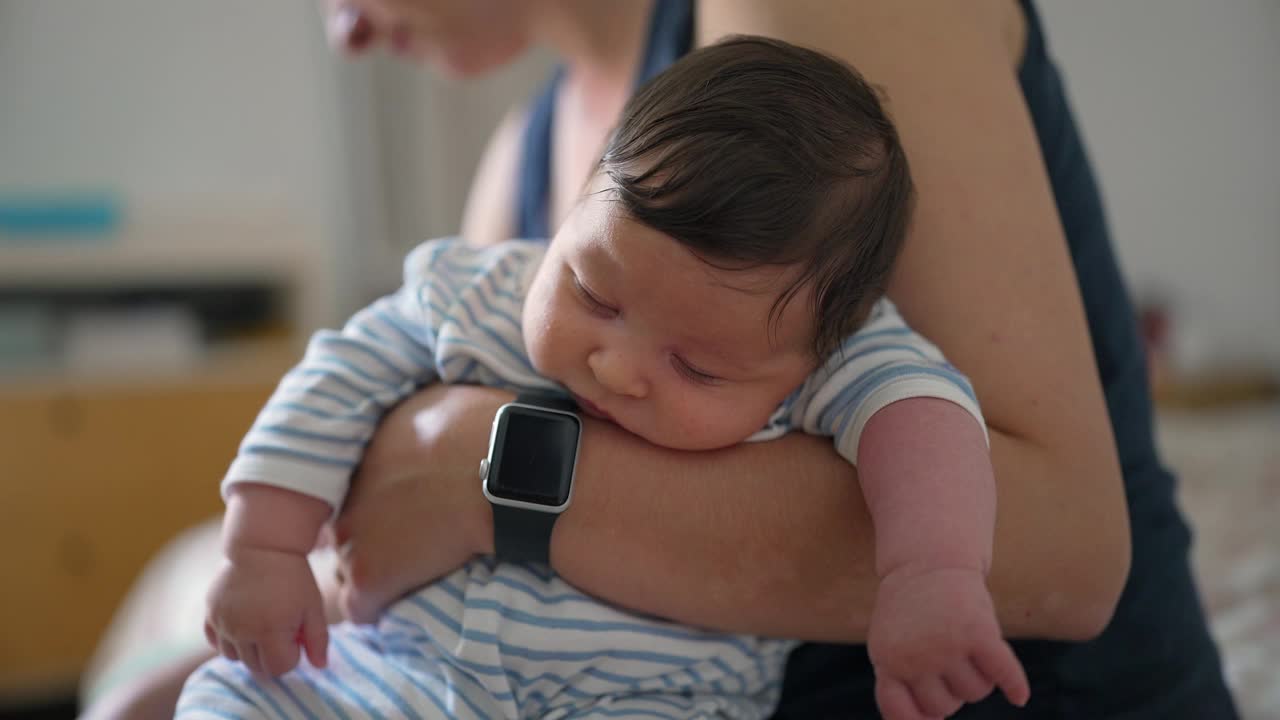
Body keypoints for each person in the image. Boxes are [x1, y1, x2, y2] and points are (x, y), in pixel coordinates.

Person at [80, 1, 1238, 719]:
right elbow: (379, 488)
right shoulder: (521, 168)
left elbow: (1066, 555)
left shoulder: (807, 70)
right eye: (590, 292)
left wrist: (477, 468)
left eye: (695, 363)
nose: (341, 30)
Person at [181, 37, 1028, 720]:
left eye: (695, 366)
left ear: (816, 355)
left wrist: (933, 576)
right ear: (580, 206)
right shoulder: (479, 290)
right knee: (227, 699)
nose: (616, 366)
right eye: (592, 293)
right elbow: (337, 375)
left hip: (647, 697)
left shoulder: (824, 358)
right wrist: (264, 545)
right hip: (402, 675)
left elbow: (926, 419)